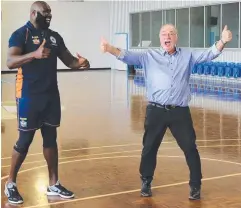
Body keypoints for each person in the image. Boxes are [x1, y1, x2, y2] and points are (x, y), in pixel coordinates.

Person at [100, 24, 232, 200]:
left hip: (180, 112)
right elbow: (126, 55)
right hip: (156, 111)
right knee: (149, 149)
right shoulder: (149, 56)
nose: (167, 36)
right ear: (160, 38)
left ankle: (195, 185)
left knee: (190, 148)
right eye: (164, 33)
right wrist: (109, 48)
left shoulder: (188, 55)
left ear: (176, 37)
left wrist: (222, 40)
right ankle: (146, 181)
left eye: (171, 33)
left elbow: (209, 53)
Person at [4, 1, 90, 204]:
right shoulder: (20, 34)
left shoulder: (54, 36)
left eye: (50, 12)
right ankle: (10, 184)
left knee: (50, 139)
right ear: (34, 13)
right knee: (24, 141)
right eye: (45, 12)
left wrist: (81, 63)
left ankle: (54, 183)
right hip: (28, 96)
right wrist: (34, 54)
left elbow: (69, 61)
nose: (49, 15)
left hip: (51, 96)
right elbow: (10, 61)